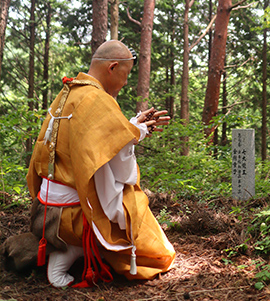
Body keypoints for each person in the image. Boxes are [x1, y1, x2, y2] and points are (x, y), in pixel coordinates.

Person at [3, 40, 175, 288]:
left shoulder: (68, 93)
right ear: (113, 67)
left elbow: (90, 143)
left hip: (43, 212)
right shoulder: (97, 99)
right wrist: (137, 133)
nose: (125, 83)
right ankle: (74, 248)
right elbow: (117, 167)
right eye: (125, 75)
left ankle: (59, 248)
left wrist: (130, 128)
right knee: (150, 236)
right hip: (73, 217)